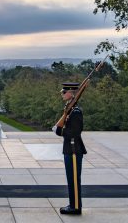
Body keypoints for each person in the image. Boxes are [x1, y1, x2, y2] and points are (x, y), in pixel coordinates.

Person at [53, 82, 87, 215]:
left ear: (71, 94)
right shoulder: (70, 109)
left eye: (64, 92)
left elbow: (75, 132)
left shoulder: (76, 112)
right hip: (69, 149)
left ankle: (76, 207)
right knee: (71, 179)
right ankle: (73, 204)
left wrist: (59, 131)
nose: (62, 94)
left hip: (74, 150)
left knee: (74, 179)